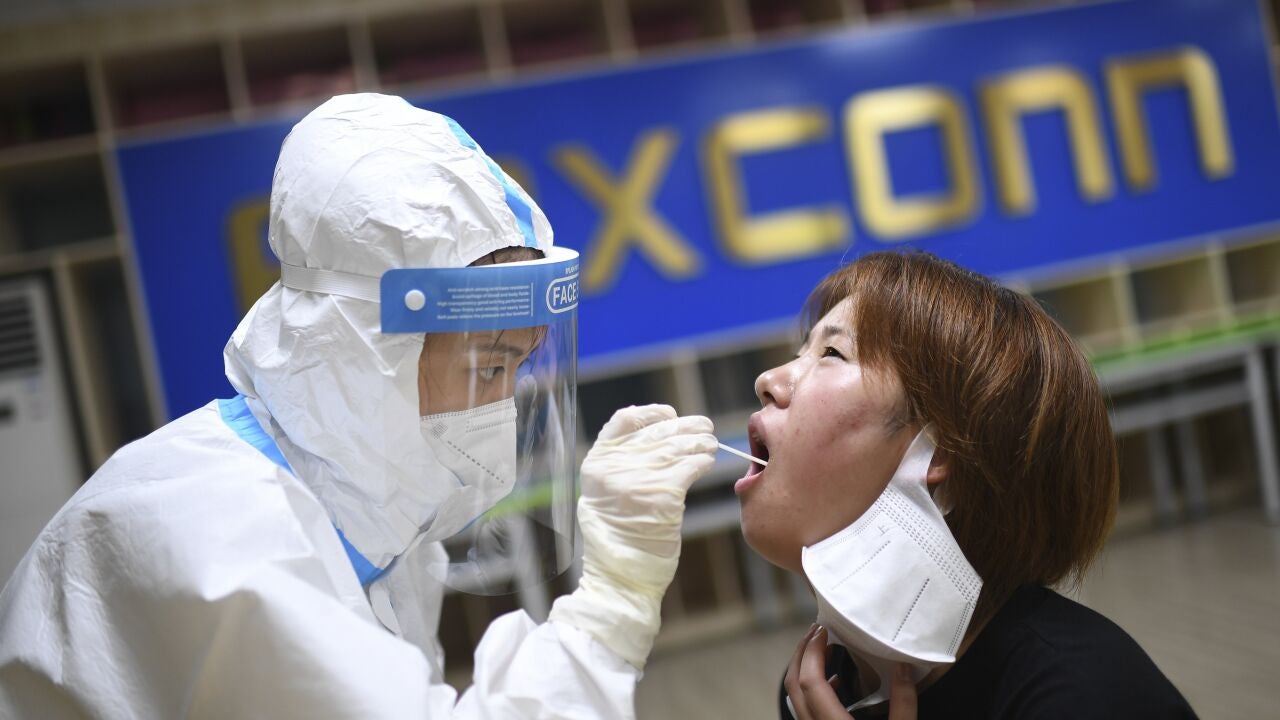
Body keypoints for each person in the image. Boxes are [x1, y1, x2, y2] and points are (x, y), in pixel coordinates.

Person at [0, 93, 718, 718]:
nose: (504, 405)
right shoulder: (216, 543)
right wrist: (611, 606)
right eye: (489, 367)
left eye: (520, 367)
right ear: (368, 350)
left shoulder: (371, 532)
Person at [730, 251, 1197, 719]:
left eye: (832, 353)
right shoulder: (818, 689)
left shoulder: (1087, 694)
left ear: (939, 453)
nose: (768, 380)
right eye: (801, 353)